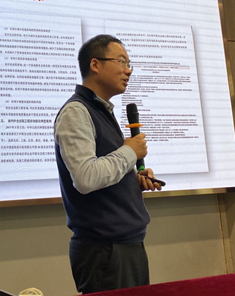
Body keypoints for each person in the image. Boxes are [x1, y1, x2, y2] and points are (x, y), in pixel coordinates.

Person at [54, 34, 162, 294]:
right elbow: (86, 177)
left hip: (126, 243)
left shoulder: (102, 110)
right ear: (95, 64)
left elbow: (103, 170)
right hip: (105, 249)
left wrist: (132, 179)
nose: (128, 70)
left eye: (129, 63)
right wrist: (129, 151)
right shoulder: (77, 112)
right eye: (121, 61)